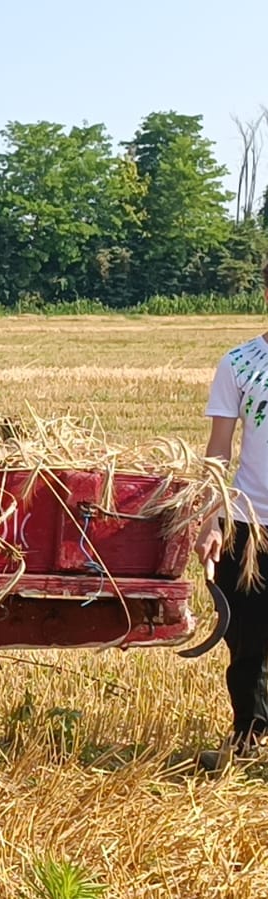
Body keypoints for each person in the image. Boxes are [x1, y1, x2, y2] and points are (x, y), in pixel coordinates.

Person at [196, 258, 268, 768]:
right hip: (250, 526)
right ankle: (249, 740)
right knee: (247, 644)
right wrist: (210, 518)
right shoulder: (239, 363)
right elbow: (218, 451)